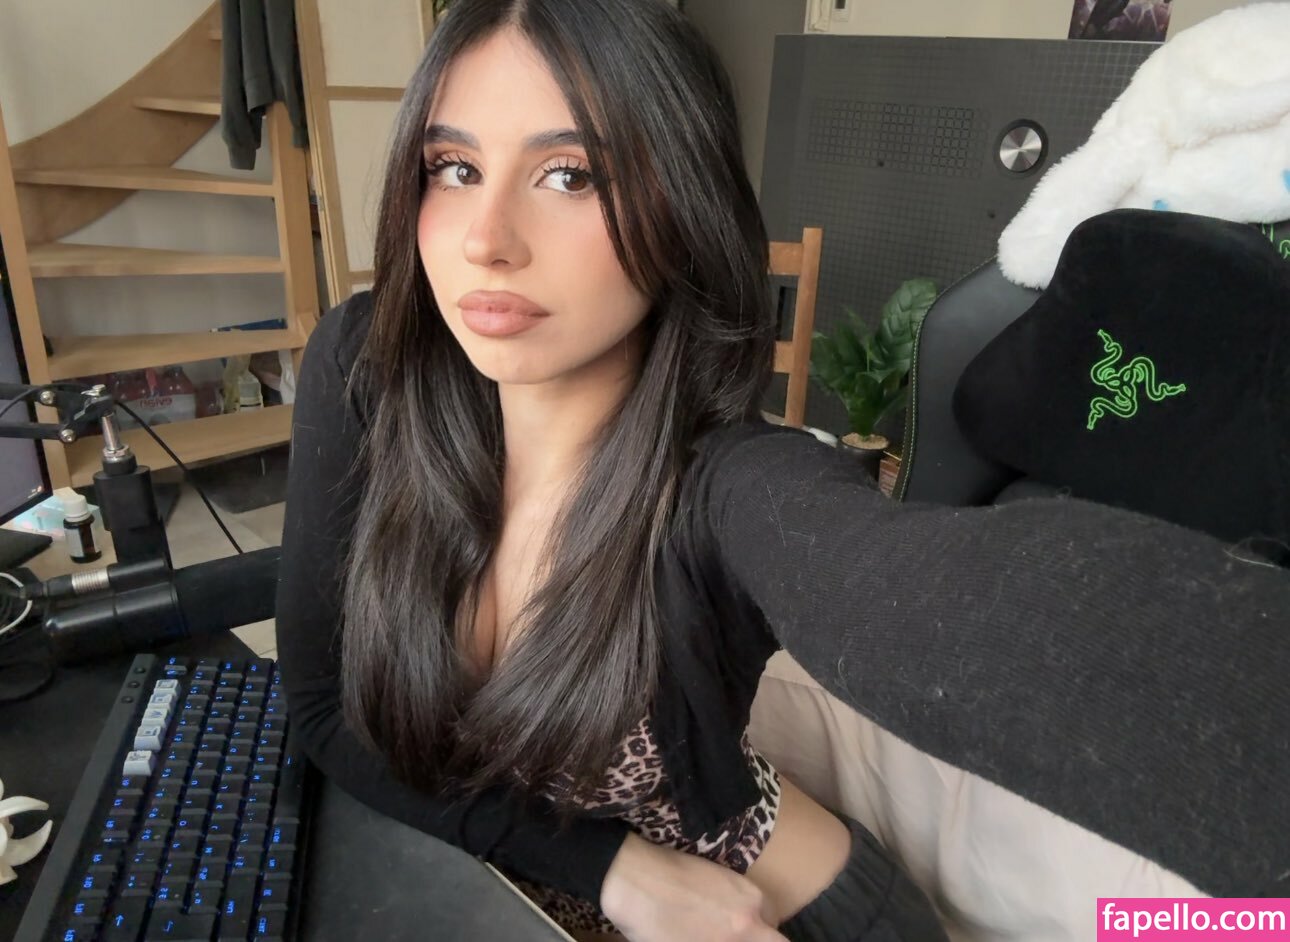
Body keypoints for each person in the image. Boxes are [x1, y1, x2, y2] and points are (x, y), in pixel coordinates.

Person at [274, 0, 1290, 939]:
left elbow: (963, 604)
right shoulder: (369, 372)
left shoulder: (730, 488)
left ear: (681, 206)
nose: (486, 240)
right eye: (453, 167)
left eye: (571, 175)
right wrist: (614, 867)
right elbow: (321, 708)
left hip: (784, 908)